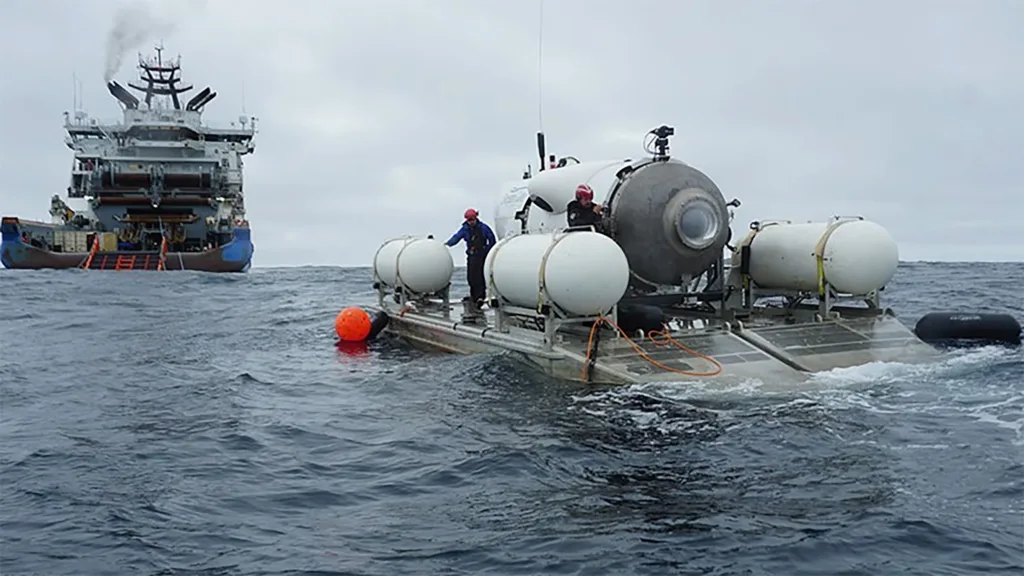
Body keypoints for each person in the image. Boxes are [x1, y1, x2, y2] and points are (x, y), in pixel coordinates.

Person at [445, 208, 496, 308]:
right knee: (471, 277)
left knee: (480, 277)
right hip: (472, 255)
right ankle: (474, 296)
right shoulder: (465, 229)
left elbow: (492, 239)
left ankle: (480, 297)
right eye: (469, 220)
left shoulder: (483, 228)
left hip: (482, 255)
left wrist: (487, 250)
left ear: (476, 218)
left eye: (472, 219)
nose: (471, 222)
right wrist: (448, 244)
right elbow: (457, 237)